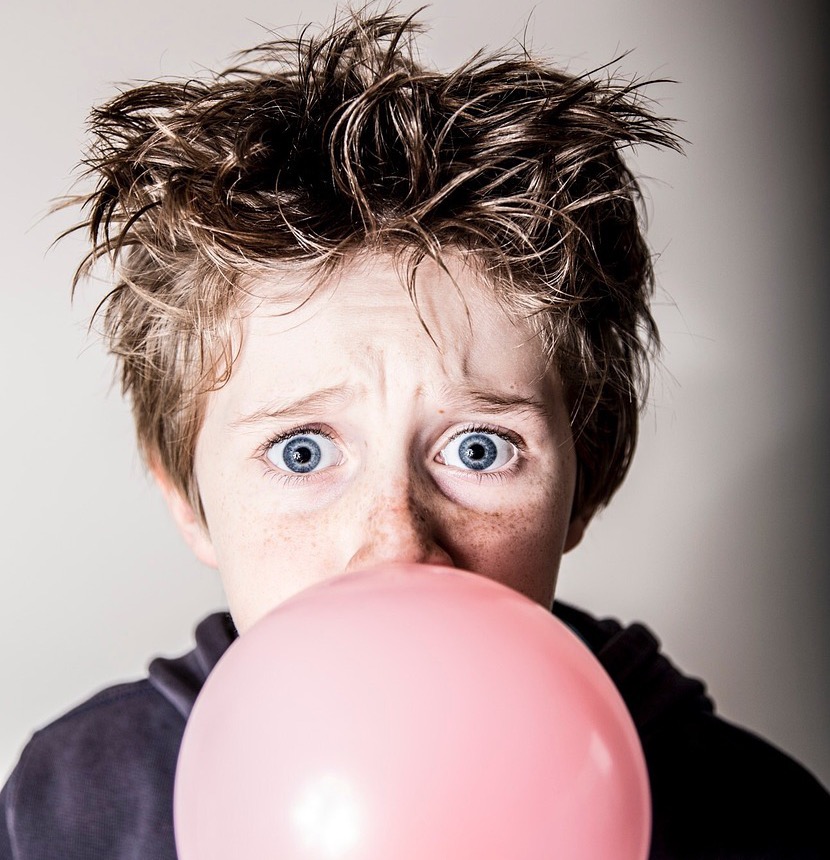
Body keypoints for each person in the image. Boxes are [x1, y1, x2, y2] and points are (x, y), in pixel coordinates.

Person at [1, 8, 827, 859]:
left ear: (587, 479)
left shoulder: (760, 821)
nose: (397, 545)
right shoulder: (68, 805)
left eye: (479, 449)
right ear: (188, 497)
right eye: (302, 451)